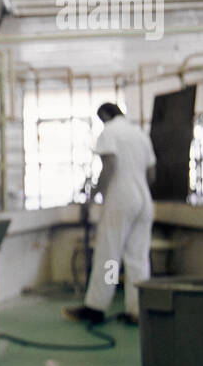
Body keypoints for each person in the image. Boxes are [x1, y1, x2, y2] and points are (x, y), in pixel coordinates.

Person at [65, 103, 156, 326]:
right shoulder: (140, 134)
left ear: (105, 115)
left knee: (108, 256)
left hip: (120, 199)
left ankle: (96, 307)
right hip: (144, 199)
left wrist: (93, 195)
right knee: (138, 258)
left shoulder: (110, 132)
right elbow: (152, 173)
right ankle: (137, 311)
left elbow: (109, 167)